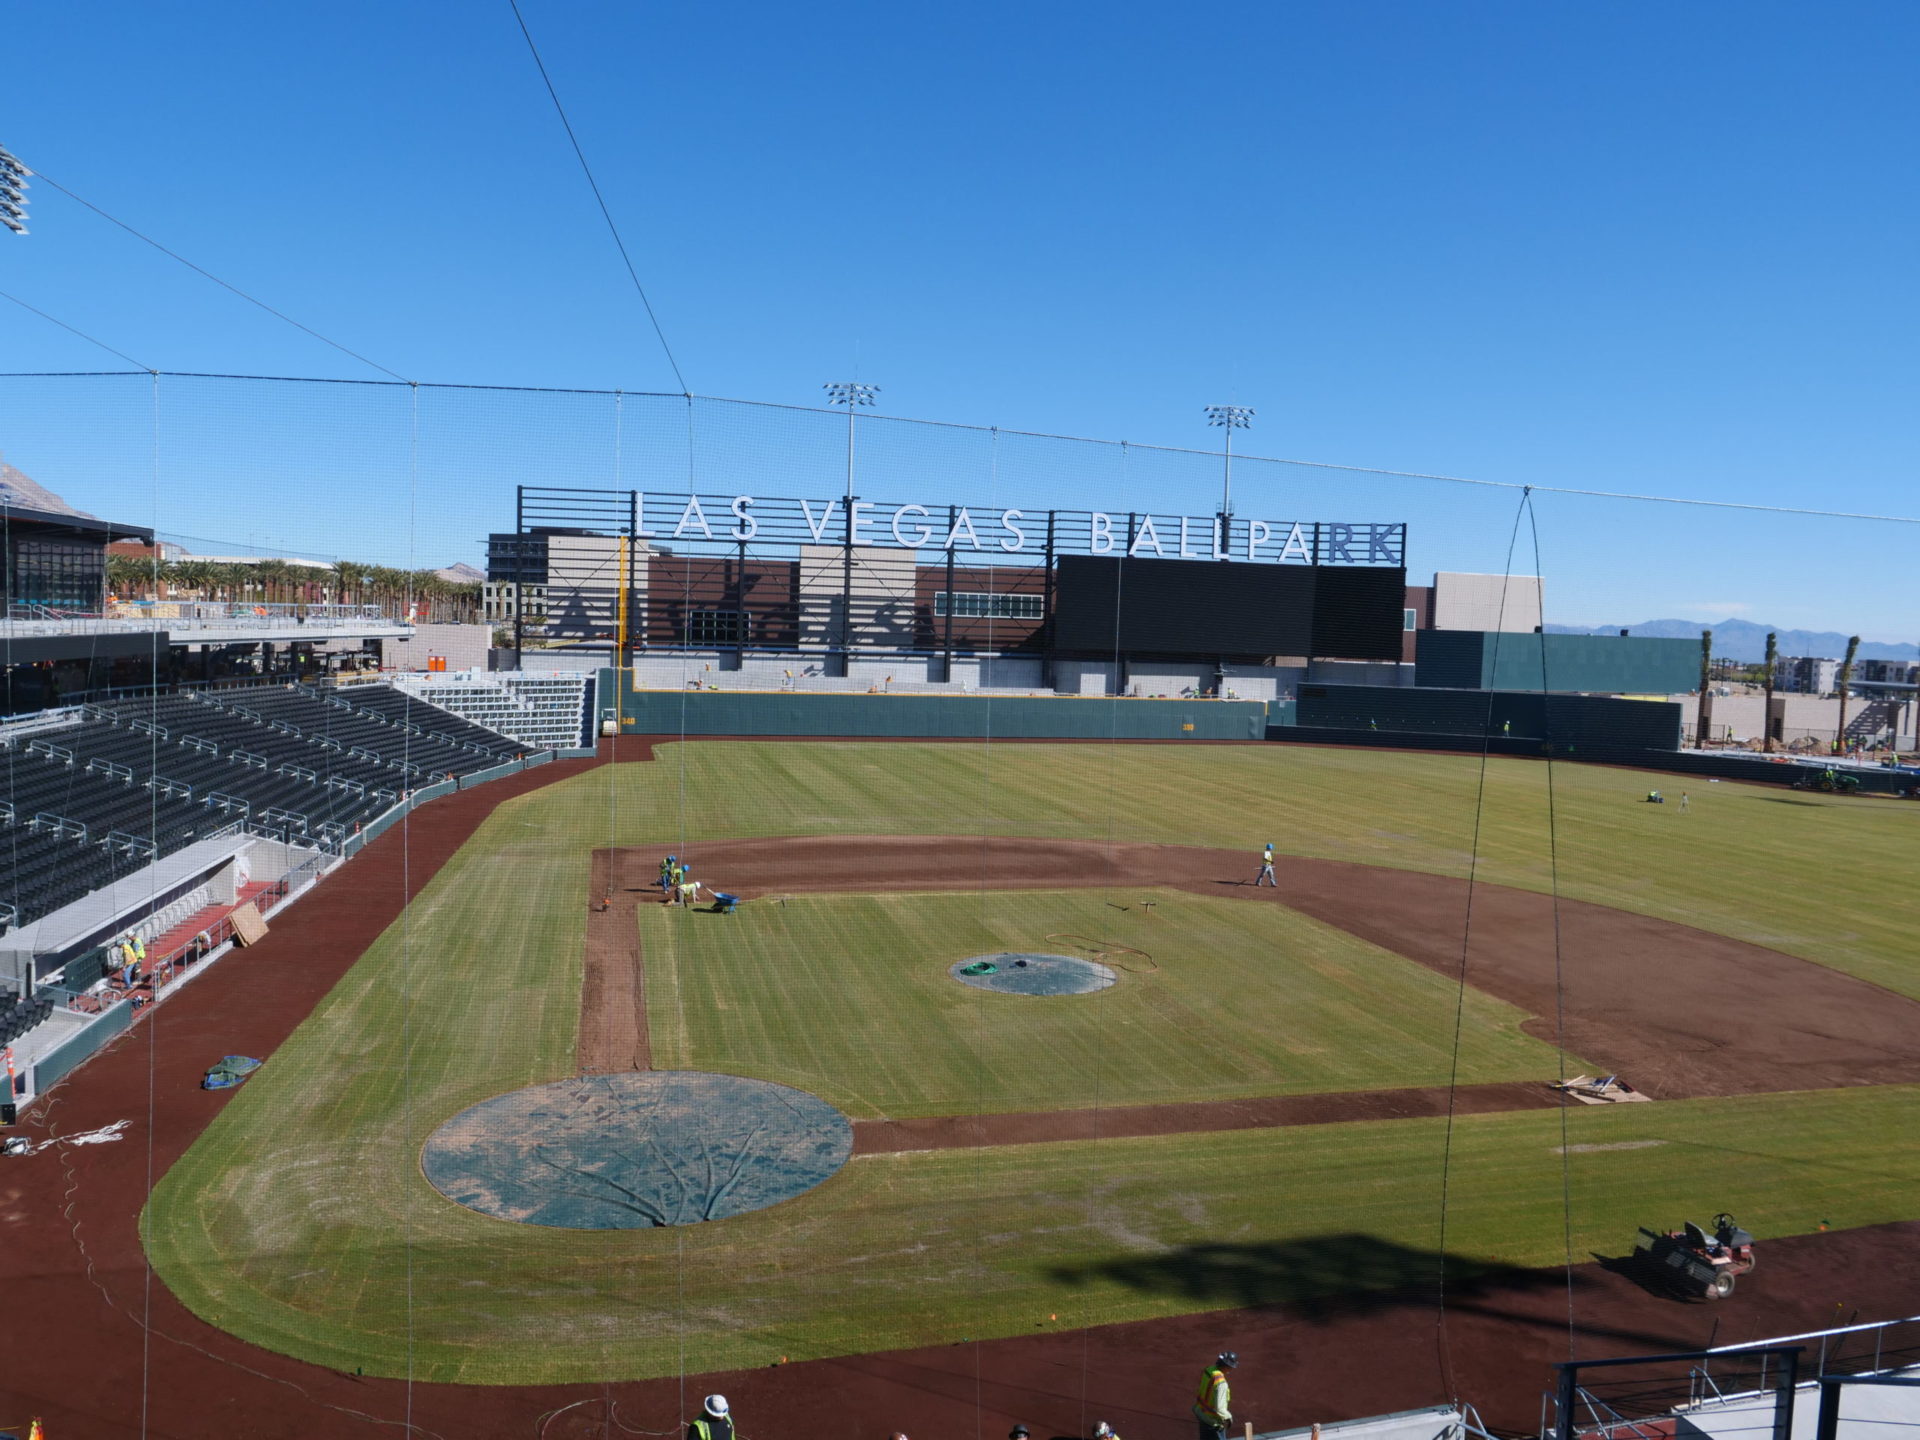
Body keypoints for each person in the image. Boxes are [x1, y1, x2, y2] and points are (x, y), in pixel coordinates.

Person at [1193, 1352, 1237, 1440]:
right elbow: (1220, 1409)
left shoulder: (1208, 1370)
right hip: (1212, 1421)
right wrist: (1228, 1417)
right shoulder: (1221, 1383)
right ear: (1227, 1366)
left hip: (1201, 1413)